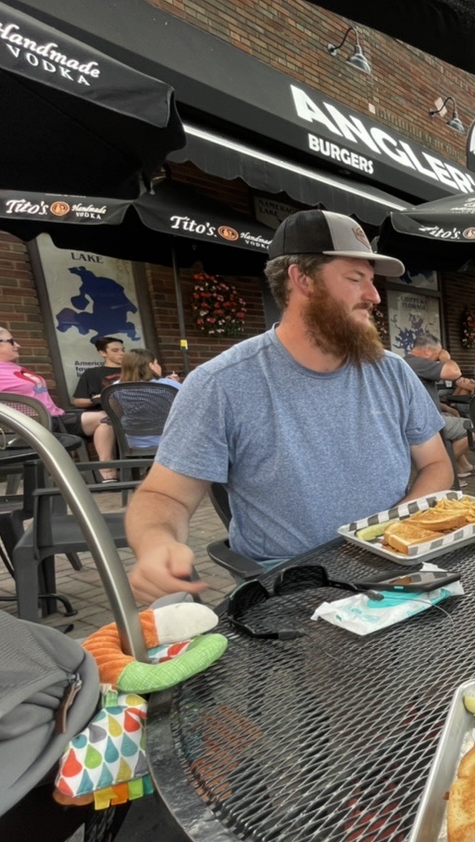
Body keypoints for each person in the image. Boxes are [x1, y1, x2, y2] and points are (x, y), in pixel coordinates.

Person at [124, 209, 450, 601]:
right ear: (302, 279)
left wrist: (391, 531)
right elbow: (164, 497)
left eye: (372, 281)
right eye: (355, 279)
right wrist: (156, 544)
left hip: (393, 568)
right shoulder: (222, 384)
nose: (374, 296)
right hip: (291, 590)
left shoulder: (391, 371)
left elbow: (436, 464)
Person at [0, 324, 117, 479]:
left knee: (104, 418)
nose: (17, 345)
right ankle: (107, 474)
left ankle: (105, 473)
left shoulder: (8, 366)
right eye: (11, 341)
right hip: (30, 425)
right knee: (102, 418)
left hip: (53, 419)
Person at [402, 332, 474, 478]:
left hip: (419, 418)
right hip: (427, 422)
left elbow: (421, 397)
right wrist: (446, 358)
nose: (437, 359)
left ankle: (464, 467)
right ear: (428, 350)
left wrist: (446, 407)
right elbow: (454, 373)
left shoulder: (405, 362)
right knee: (473, 427)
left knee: (455, 421)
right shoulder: (418, 362)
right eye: (437, 354)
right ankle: (444, 468)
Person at [110, 348, 183, 450]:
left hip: (133, 443)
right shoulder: (169, 385)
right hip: (171, 443)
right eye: (156, 363)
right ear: (151, 366)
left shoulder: (116, 387)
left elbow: (117, 414)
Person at [72, 336, 125, 408]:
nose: (122, 353)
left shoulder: (134, 371)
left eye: (123, 350)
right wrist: (96, 400)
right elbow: (78, 402)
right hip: (104, 413)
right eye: (115, 350)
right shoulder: (92, 373)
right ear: (103, 353)